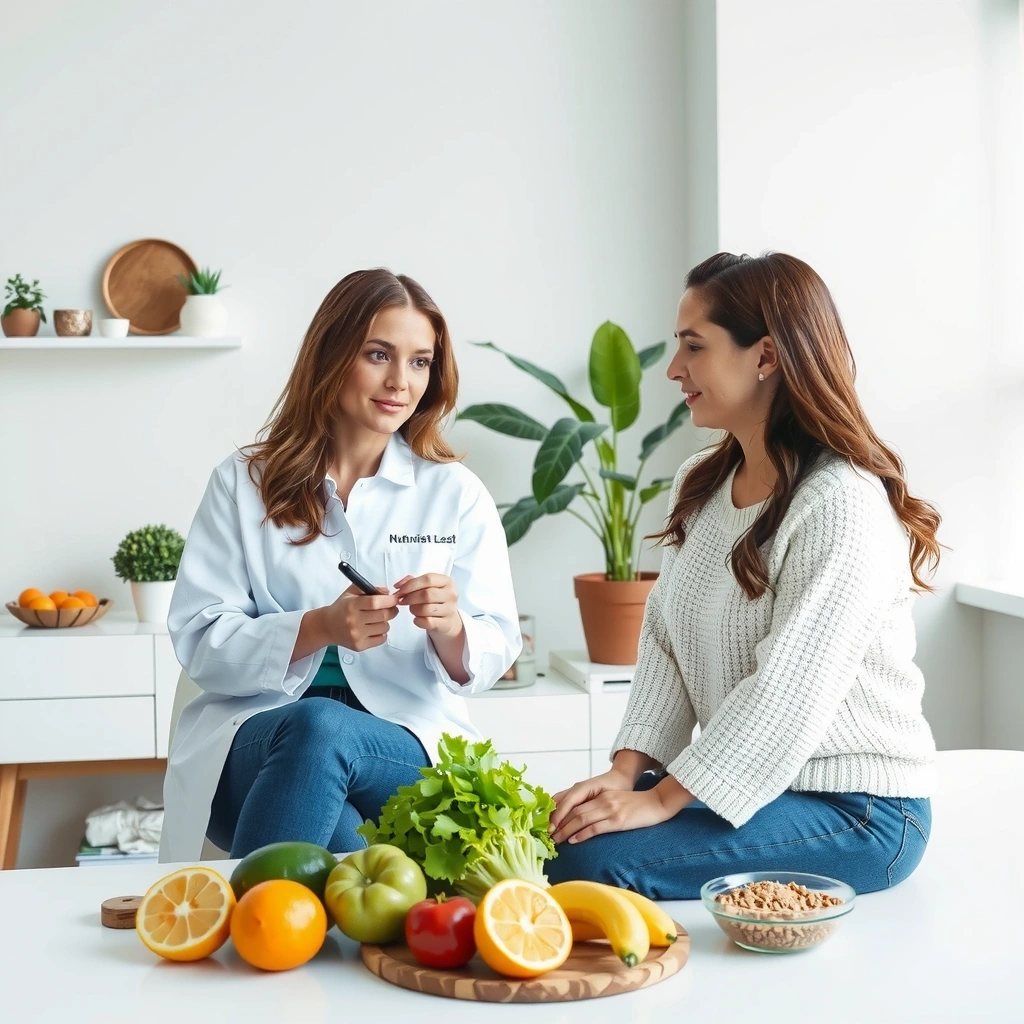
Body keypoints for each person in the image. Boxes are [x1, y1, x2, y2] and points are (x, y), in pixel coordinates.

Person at [547, 252, 939, 898]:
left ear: (766, 356)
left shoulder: (840, 502)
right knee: (556, 834)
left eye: (694, 346)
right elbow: (665, 642)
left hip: (862, 812)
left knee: (587, 864)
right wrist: (626, 774)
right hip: (761, 785)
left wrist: (663, 799)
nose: (673, 369)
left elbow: (789, 690)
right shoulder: (701, 484)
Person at [160, 269, 521, 862]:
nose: (400, 381)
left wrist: (452, 627)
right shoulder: (242, 483)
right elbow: (200, 641)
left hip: (401, 747)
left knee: (329, 778)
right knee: (318, 736)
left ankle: (253, 915)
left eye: (420, 362)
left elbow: (494, 647)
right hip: (258, 739)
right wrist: (318, 627)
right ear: (331, 356)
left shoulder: (455, 493)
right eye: (379, 355)